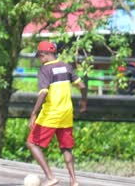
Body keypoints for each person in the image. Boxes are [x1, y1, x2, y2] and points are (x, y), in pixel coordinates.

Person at [26, 41, 87, 186]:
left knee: (31, 143)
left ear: (43, 55)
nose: (40, 59)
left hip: (51, 114)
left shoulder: (44, 70)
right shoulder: (66, 67)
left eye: (40, 56)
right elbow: (82, 86)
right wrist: (84, 102)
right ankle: (73, 181)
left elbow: (43, 92)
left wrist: (34, 113)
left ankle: (50, 177)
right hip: (66, 113)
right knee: (66, 147)